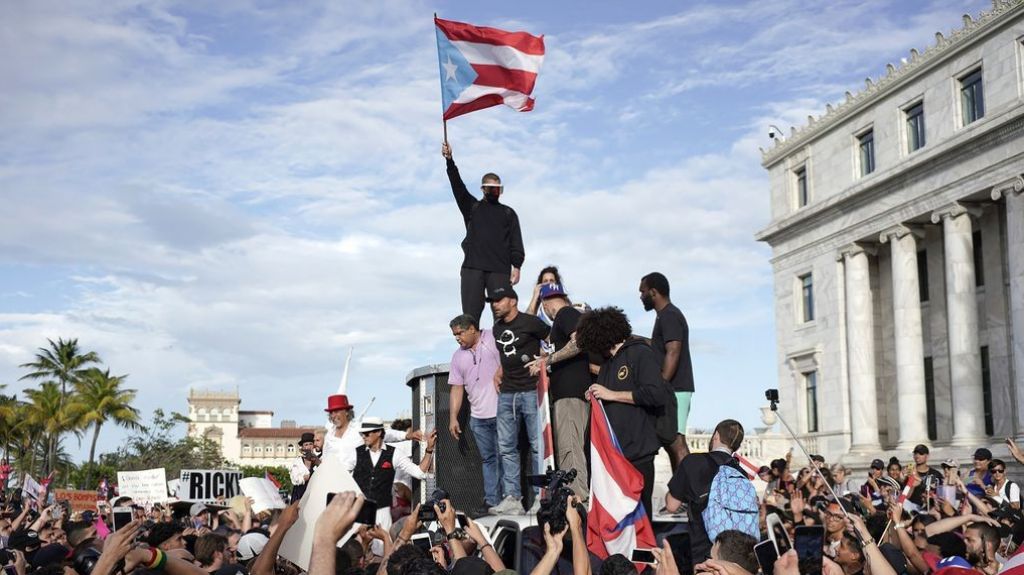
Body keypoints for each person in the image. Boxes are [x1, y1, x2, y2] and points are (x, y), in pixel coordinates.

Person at [576, 306, 672, 519]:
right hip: (613, 458)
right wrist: (595, 395)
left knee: (640, 519)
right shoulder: (609, 364)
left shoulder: (640, 353)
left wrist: (611, 394)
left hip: (636, 455)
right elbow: (606, 395)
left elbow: (656, 394)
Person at [442, 142, 525, 322]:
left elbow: (516, 242)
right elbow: (458, 187)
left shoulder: (508, 213)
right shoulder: (472, 207)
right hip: (473, 268)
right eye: (489, 187)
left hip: (499, 269)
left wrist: (517, 266)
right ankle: (473, 350)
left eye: (496, 188)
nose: (493, 191)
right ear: (483, 189)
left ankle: (503, 349)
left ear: (500, 190)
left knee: (504, 317)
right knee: (469, 318)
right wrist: (449, 160)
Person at [487, 284, 550, 515]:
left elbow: (552, 342)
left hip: (531, 391)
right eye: (492, 302)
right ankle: (512, 498)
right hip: (507, 394)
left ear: (512, 300)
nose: (494, 305)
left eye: (498, 300)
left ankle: (540, 498)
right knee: (505, 447)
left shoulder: (531, 323)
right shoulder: (496, 329)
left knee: (537, 446)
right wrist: (500, 371)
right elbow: (507, 355)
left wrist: (545, 361)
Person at [526, 283, 590, 500]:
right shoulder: (561, 321)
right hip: (565, 395)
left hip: (572, 394)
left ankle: (578, 499)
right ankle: (572, 497)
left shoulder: (565, 313)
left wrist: (548, 360)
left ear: (544, 304)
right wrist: (545, 360)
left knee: (571, 450)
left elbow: (579, 341)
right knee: (566, 450)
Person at [664, 419, 746, 565]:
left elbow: (671, 506)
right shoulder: (741, 473)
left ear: (716, 436)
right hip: (732, 556)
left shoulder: (693, 462)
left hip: (702, 552)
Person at [344, 418, 437, 546]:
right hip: (359, 511)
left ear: (378, 433)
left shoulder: (394, 454)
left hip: (382, 513)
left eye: (367, 433)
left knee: (381, 551)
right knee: (355, 550)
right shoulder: (355, 453)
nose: (363, 437)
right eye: (362, 434)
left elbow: (419, 472)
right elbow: (341, 474)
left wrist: (429, 449)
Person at [447, 313, 503, 515]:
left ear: (472, 328)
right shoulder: (457, 356)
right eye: (454, 335)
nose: (457, 338)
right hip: (478, 418)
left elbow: (509, 355)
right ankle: (492, 501)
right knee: (488, 459)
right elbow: (456, 388)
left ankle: (509, 499)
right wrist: (453, 417)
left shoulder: (493, 337)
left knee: (506, 456)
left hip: (501, 412)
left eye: (459, 333)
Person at [640, 272, 694, 469]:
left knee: (677, 441)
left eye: (643, 291)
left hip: (676, 389)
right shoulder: (665, 316)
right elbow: (660, 347)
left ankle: (691, 494)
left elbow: (673, 350)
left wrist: (660, 384)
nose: (640, 296)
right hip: (672, 388)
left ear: (653, 292)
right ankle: (681, 493)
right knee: (670, 443)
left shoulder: (669, 315)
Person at [321, 394, 422, 468]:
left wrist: (407, 435)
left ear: (347, 412)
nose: (333, 416)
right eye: (331, 413)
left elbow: (386, 433)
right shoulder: (329, 436)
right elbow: (325, 459)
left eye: (337, 411)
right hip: (334, 482)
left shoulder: (359, 428)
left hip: (356, 481)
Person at [908, 444, 944, 510]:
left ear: (927, 456)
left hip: (930, 508)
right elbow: (906, 497)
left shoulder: (935, 473)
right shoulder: (909, 472)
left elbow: (937, 487)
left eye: (921, 453)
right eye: (915, 453)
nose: (917, 456)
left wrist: (918, 478)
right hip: (911, 508)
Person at [288, 432, 318, 502]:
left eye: (310, 444)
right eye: (306, 444)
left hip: (314, 493)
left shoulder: (317, 460)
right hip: (300, 494)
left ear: (313, 446)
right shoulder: (297, 461)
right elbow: (295, 480)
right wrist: (306, 477)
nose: (308, 446)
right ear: (303, 447)